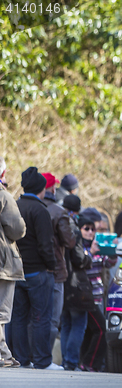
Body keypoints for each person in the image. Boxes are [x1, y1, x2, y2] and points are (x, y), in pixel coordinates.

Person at [12, 167, 62, 369]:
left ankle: (20, 359)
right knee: (41, 318)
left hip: (16, 271)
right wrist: (52, 266)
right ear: (41, 189)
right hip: (38, 273)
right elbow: (45, 244)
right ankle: (42, 361)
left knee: (18, 318)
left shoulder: (14, 206)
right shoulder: (40, 210)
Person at [41, 172, 76, 351]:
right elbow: (69, 241)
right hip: (55, 269)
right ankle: (45, 357)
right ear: (52, 188)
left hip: (33, 269)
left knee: (34, 317)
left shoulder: (26, 207)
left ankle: (31, 356)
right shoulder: (57, 211)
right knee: (54, 317)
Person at [60, 196, 94, 371]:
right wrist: (90, 256)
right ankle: (71, 361)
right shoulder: (74, 230)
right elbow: (80, 259)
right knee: (79, 323)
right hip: (75, 284)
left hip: (61, 282)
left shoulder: (58, 224)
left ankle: (66, 360)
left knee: (66, 323)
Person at [0, 157, 26, 368]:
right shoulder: (4, 197)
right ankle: (2, 354)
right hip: (3, 264)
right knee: (1, 311)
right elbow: (18, 229)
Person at [79, 214, 109, 372]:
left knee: (91, 331)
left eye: (93, 229)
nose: (90, 232)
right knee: (102, 329)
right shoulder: (79, 247)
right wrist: (90, 251)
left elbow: (108, 263)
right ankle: (89, 363)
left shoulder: (97, 247)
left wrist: (112, 250)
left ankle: (87, 364)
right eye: (86, 229)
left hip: (97, 295)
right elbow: (81, 264)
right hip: (85, 297)